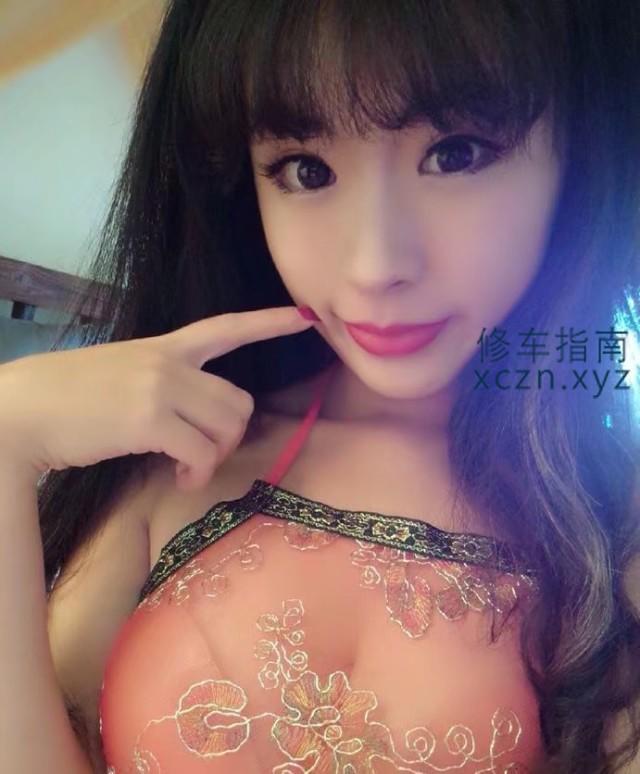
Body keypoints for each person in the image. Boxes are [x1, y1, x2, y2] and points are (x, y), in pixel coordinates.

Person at [1, 1, 639, 772]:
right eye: (307, 170)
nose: (375, 265)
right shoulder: (182, 448)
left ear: (580, 162)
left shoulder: (613, 517)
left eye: (458, 153)